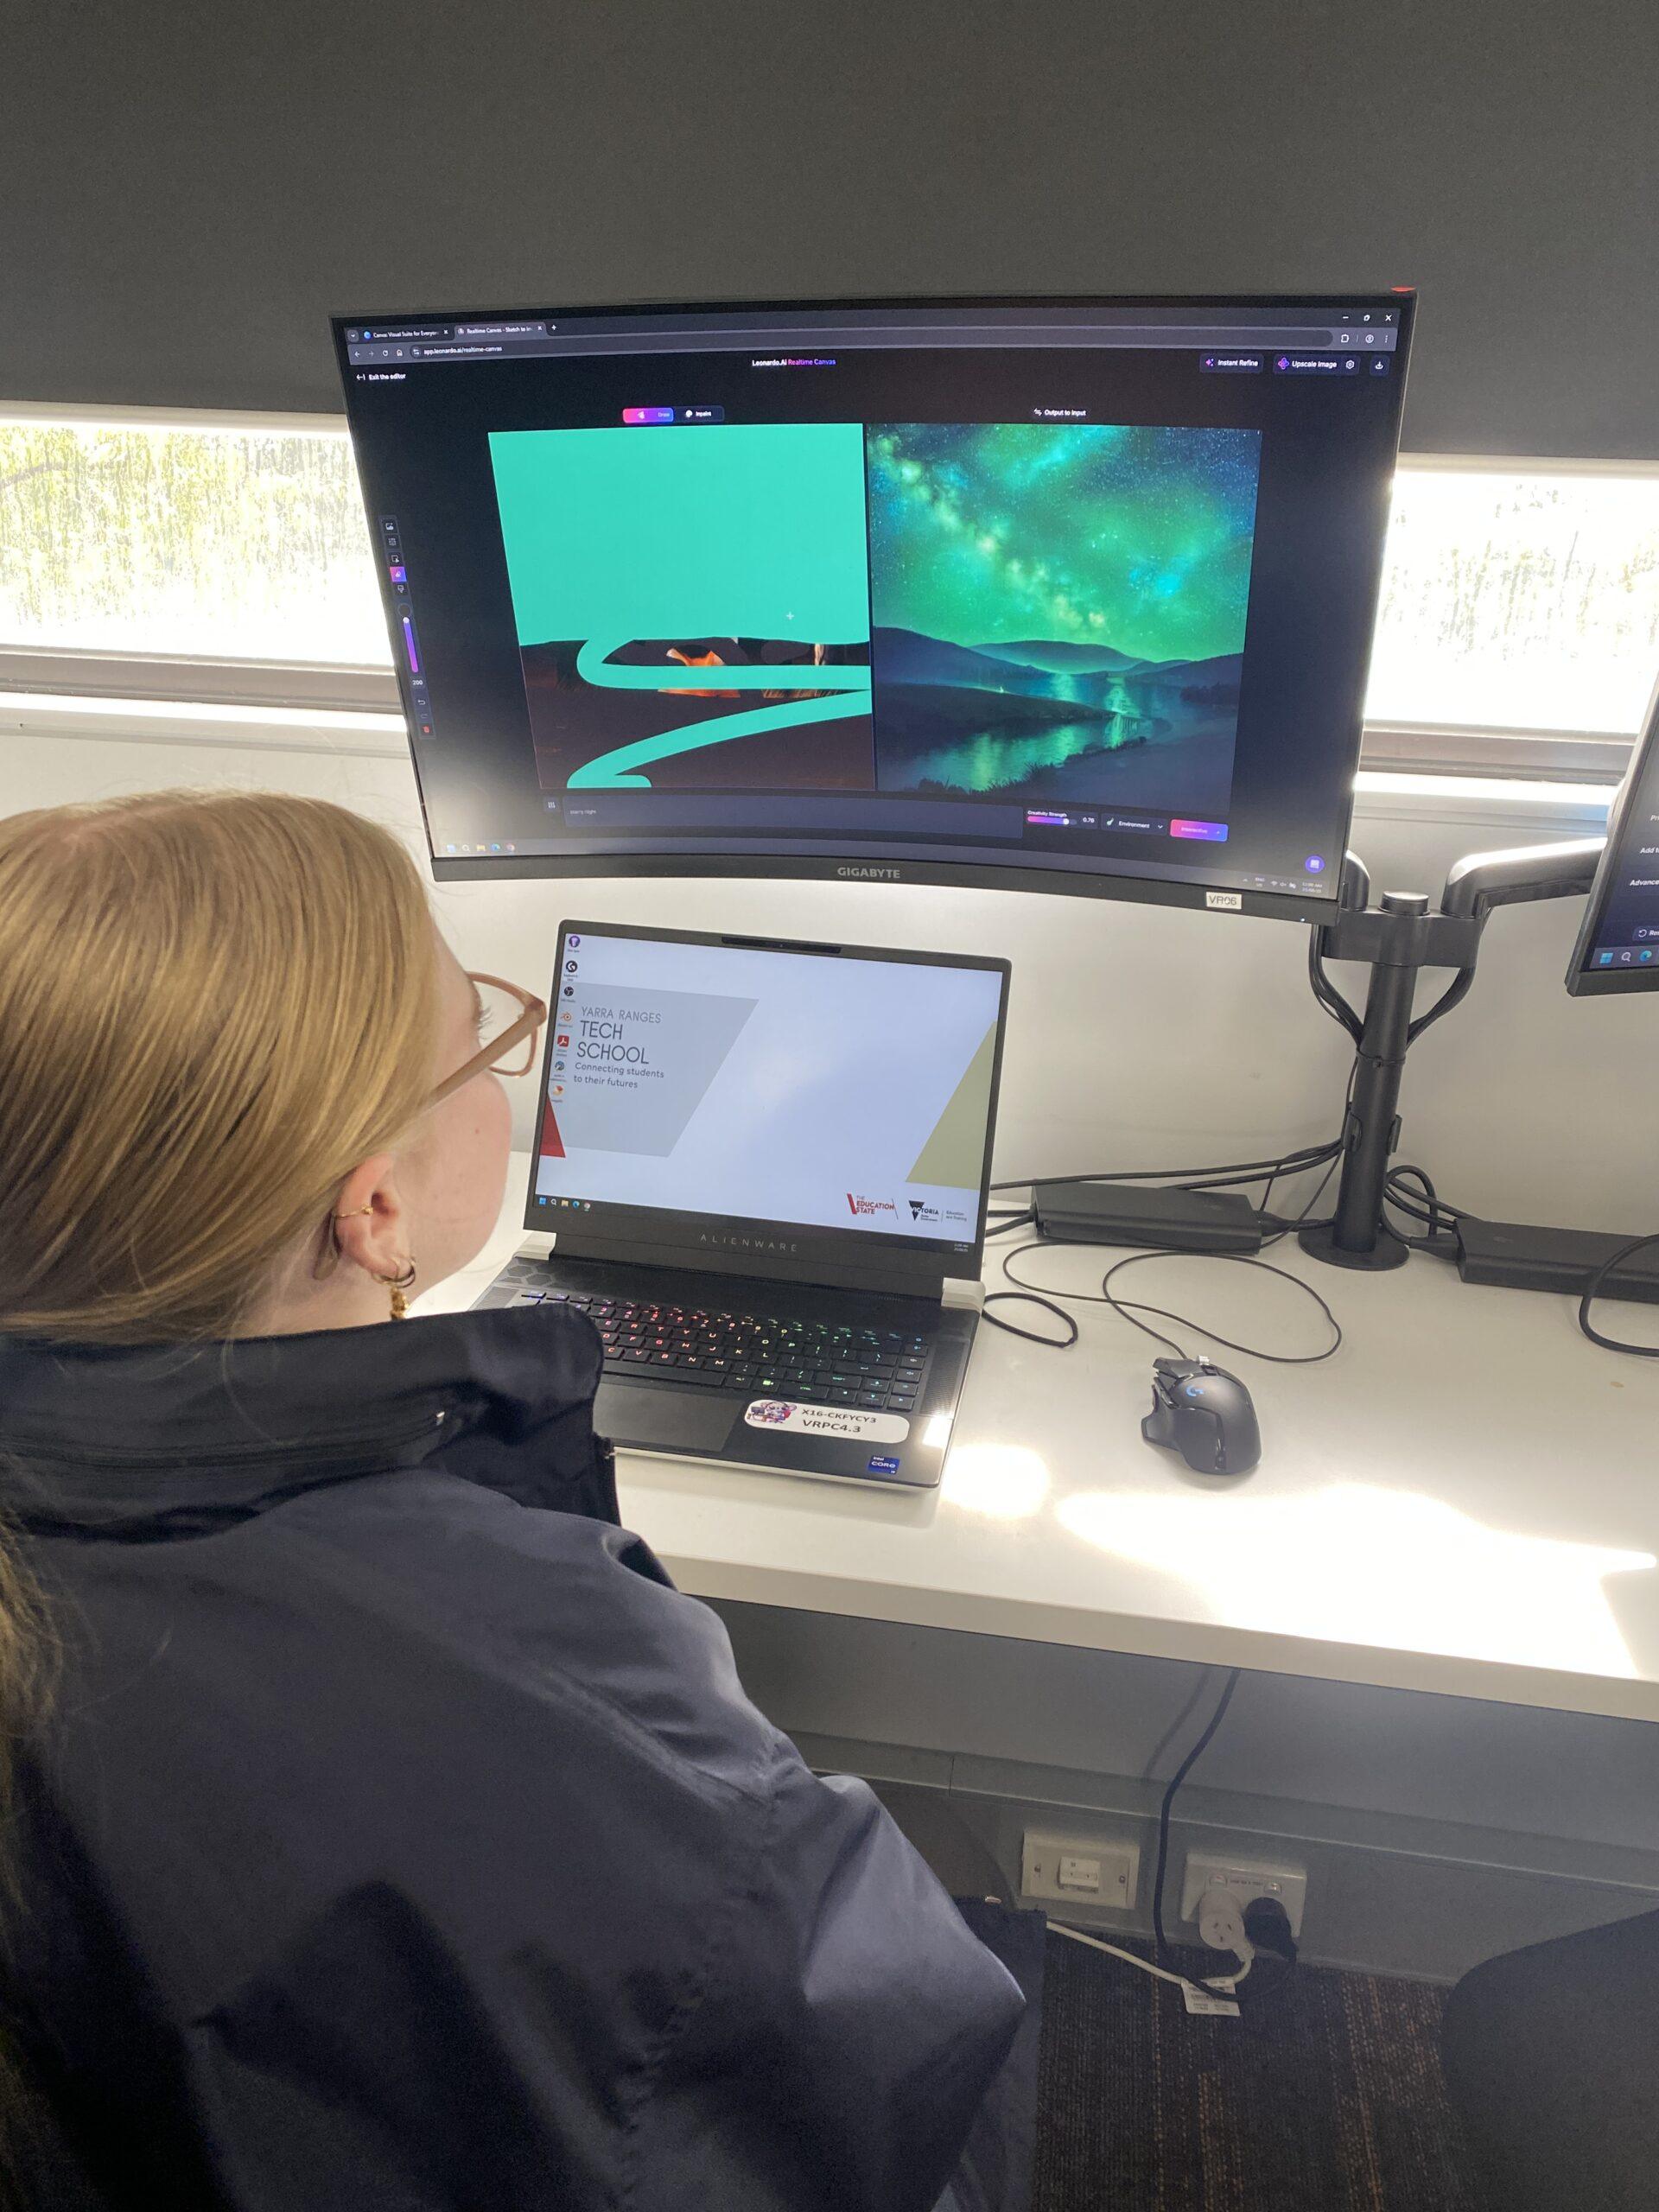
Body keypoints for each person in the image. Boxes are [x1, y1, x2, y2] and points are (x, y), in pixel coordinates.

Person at [0, 791, 1025, 2209]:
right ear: (374, 1213)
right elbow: (879, 2106)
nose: (511, 1074)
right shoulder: (552, 1697)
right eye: (483, 1043)